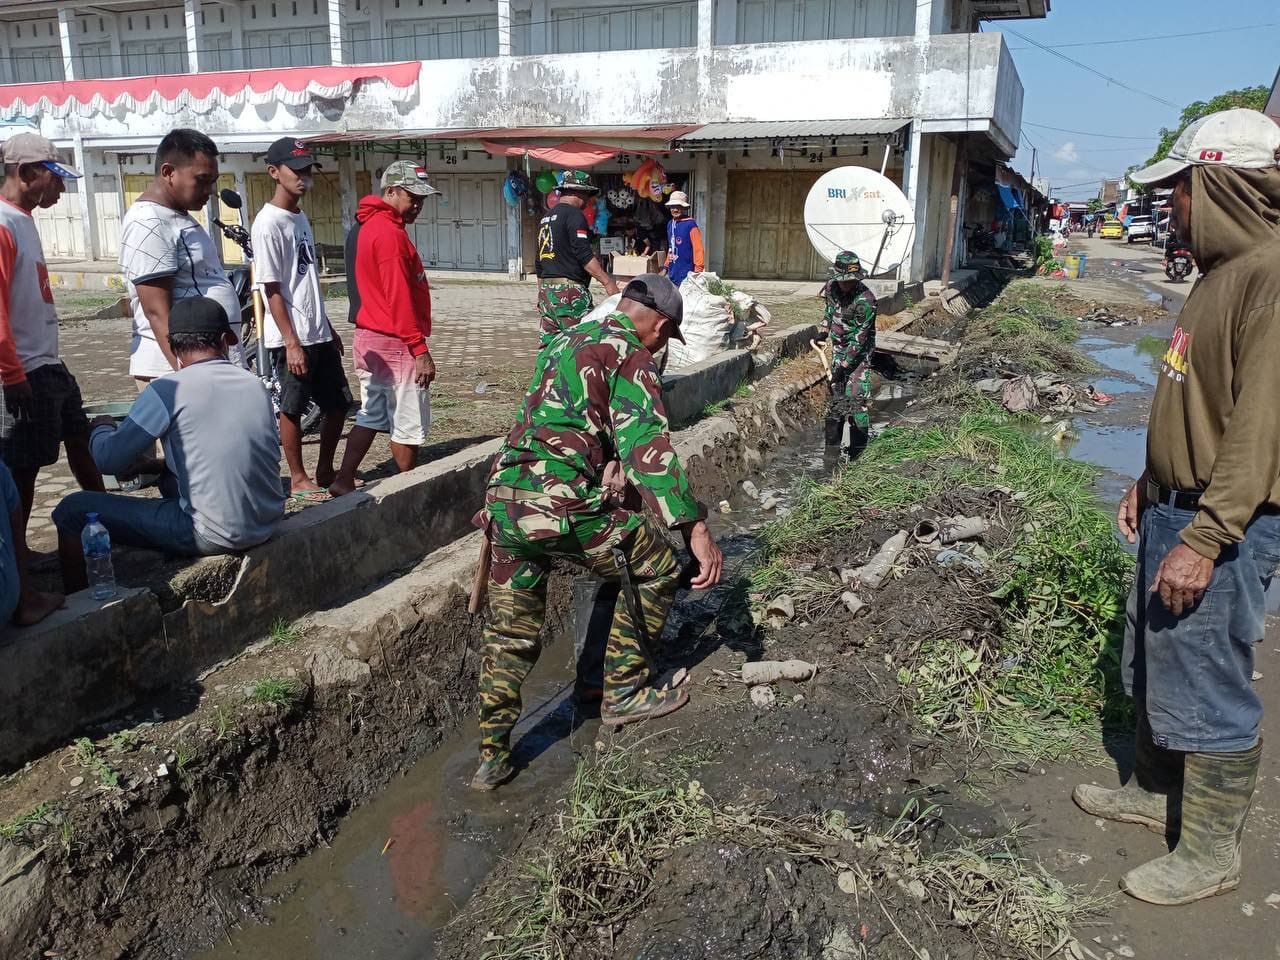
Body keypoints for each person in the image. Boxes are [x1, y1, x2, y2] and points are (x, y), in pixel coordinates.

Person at [1073, 108, 1280, 906]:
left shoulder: (1268, 277)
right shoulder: (1216, 276)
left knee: (1206, 678)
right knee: (1153, 653)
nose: (1171, 208)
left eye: (1180, 192)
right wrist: (1149, 480)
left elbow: (1262, 428)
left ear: (1221, 184)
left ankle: (1209, 853)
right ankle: (1155, 790)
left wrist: (1208, 533)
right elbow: (1194, 400)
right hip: (1174, 505)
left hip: (1220, 523)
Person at [471, 274, 724, 791]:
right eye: (664, 338)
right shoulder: (630, 353)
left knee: (511, 634)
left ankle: (492, 756)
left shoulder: (565, 340)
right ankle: (624, 691)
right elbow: (649, 447)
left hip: (505, 504)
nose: (660, 347)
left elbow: (560, 423)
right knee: (657, 569)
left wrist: (607, 469)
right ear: (659, 323)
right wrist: (695, 529)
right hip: (563, 506)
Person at [51, 297, 284, 591]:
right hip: (267, 520)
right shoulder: (254, 384)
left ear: (172, 347)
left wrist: (101, 427)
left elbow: (108, 460)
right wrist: (156, 465)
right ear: (228, 339)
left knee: (71, 510)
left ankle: (80, 603)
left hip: (212, 534)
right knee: (167, 476)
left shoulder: (167, 389)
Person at [0, 133, 106, 624]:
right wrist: (11, 373)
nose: (59, 191)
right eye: (53, 178)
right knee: (21, 473)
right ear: (25, 173)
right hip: (24, 370)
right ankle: (18, 584)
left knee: (78, 440)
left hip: (48, 363)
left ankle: (103, 519)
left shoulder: (24, 224)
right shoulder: (3, 224)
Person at [328, 161, 439, 496]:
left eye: (422, 198)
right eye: (412, 196)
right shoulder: (389, 234)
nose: (418, 204)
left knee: (372, 412)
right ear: (391, 191)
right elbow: (399, 298)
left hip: (369, 337)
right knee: (408, 422)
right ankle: (409, 490)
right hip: (394, 340)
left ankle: (343, 478)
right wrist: (419, 350)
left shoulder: (369, 225)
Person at [253, 137, 352, 501]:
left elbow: (306, 280)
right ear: (274, 172)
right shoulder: (268, 223)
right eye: (296, 170)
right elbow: (272, 288)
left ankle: (325, 468)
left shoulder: (299, 216)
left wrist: (327, 327)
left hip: (317, 332)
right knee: (292, 408)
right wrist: (291, 341)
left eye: (308, 170)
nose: (304, 177)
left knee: (338, 403)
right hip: (290, 337)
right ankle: (297, 477)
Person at [119, 128, 241, 387]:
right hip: (176, 374)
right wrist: (190, 377)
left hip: (204, 367)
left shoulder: (176, 216)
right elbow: (157, 311)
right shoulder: (149, 222)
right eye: (202, 180)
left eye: (213, 181)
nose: (210, 190)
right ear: (168, 173)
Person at [534, 170, 618, 346]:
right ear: (576, 192)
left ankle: (545, 373)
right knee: (580, 345)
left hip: (548, 293)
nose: (587, 200)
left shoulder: (546, 218)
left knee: (551, 346)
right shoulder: (574, 215)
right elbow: (583, 254)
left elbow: (540, 260)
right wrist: (607, 282)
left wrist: (542, 295)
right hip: (569, 293)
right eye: (586, 194)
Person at [819, 251, 877, 454]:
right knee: (836, 401)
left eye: (850, 281)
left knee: (856, 401)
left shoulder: (866, 301)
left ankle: (857, 455)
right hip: (837, 349)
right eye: (843, 281)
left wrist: (844, 367)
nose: (846, 285)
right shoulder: (831, 287)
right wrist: (823, 331)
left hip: (859, 357)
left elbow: (859, 340)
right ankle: (831, 453)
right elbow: (829, 310)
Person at [664, 190, 704, 287]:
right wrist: (665, 266)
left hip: (687, 273)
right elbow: (671, 247)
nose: (675, 210)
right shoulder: (670, 224)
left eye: (678, 206)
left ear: (684, 208)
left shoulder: (691, 225)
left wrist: (698, 270)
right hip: (672, 272)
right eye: (673, 207)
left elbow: (698, 249)